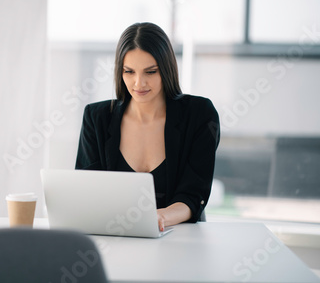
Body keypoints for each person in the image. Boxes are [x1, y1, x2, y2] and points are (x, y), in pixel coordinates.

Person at [75, 22, 220, 231]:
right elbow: (85, 191)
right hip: (115, 238)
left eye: (150, 72)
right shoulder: (96, 118)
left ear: (167, 69)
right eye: (129, 72)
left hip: (180, 238)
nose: (139, 83)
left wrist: (158, 217)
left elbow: (193, 195)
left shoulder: (199, 115)